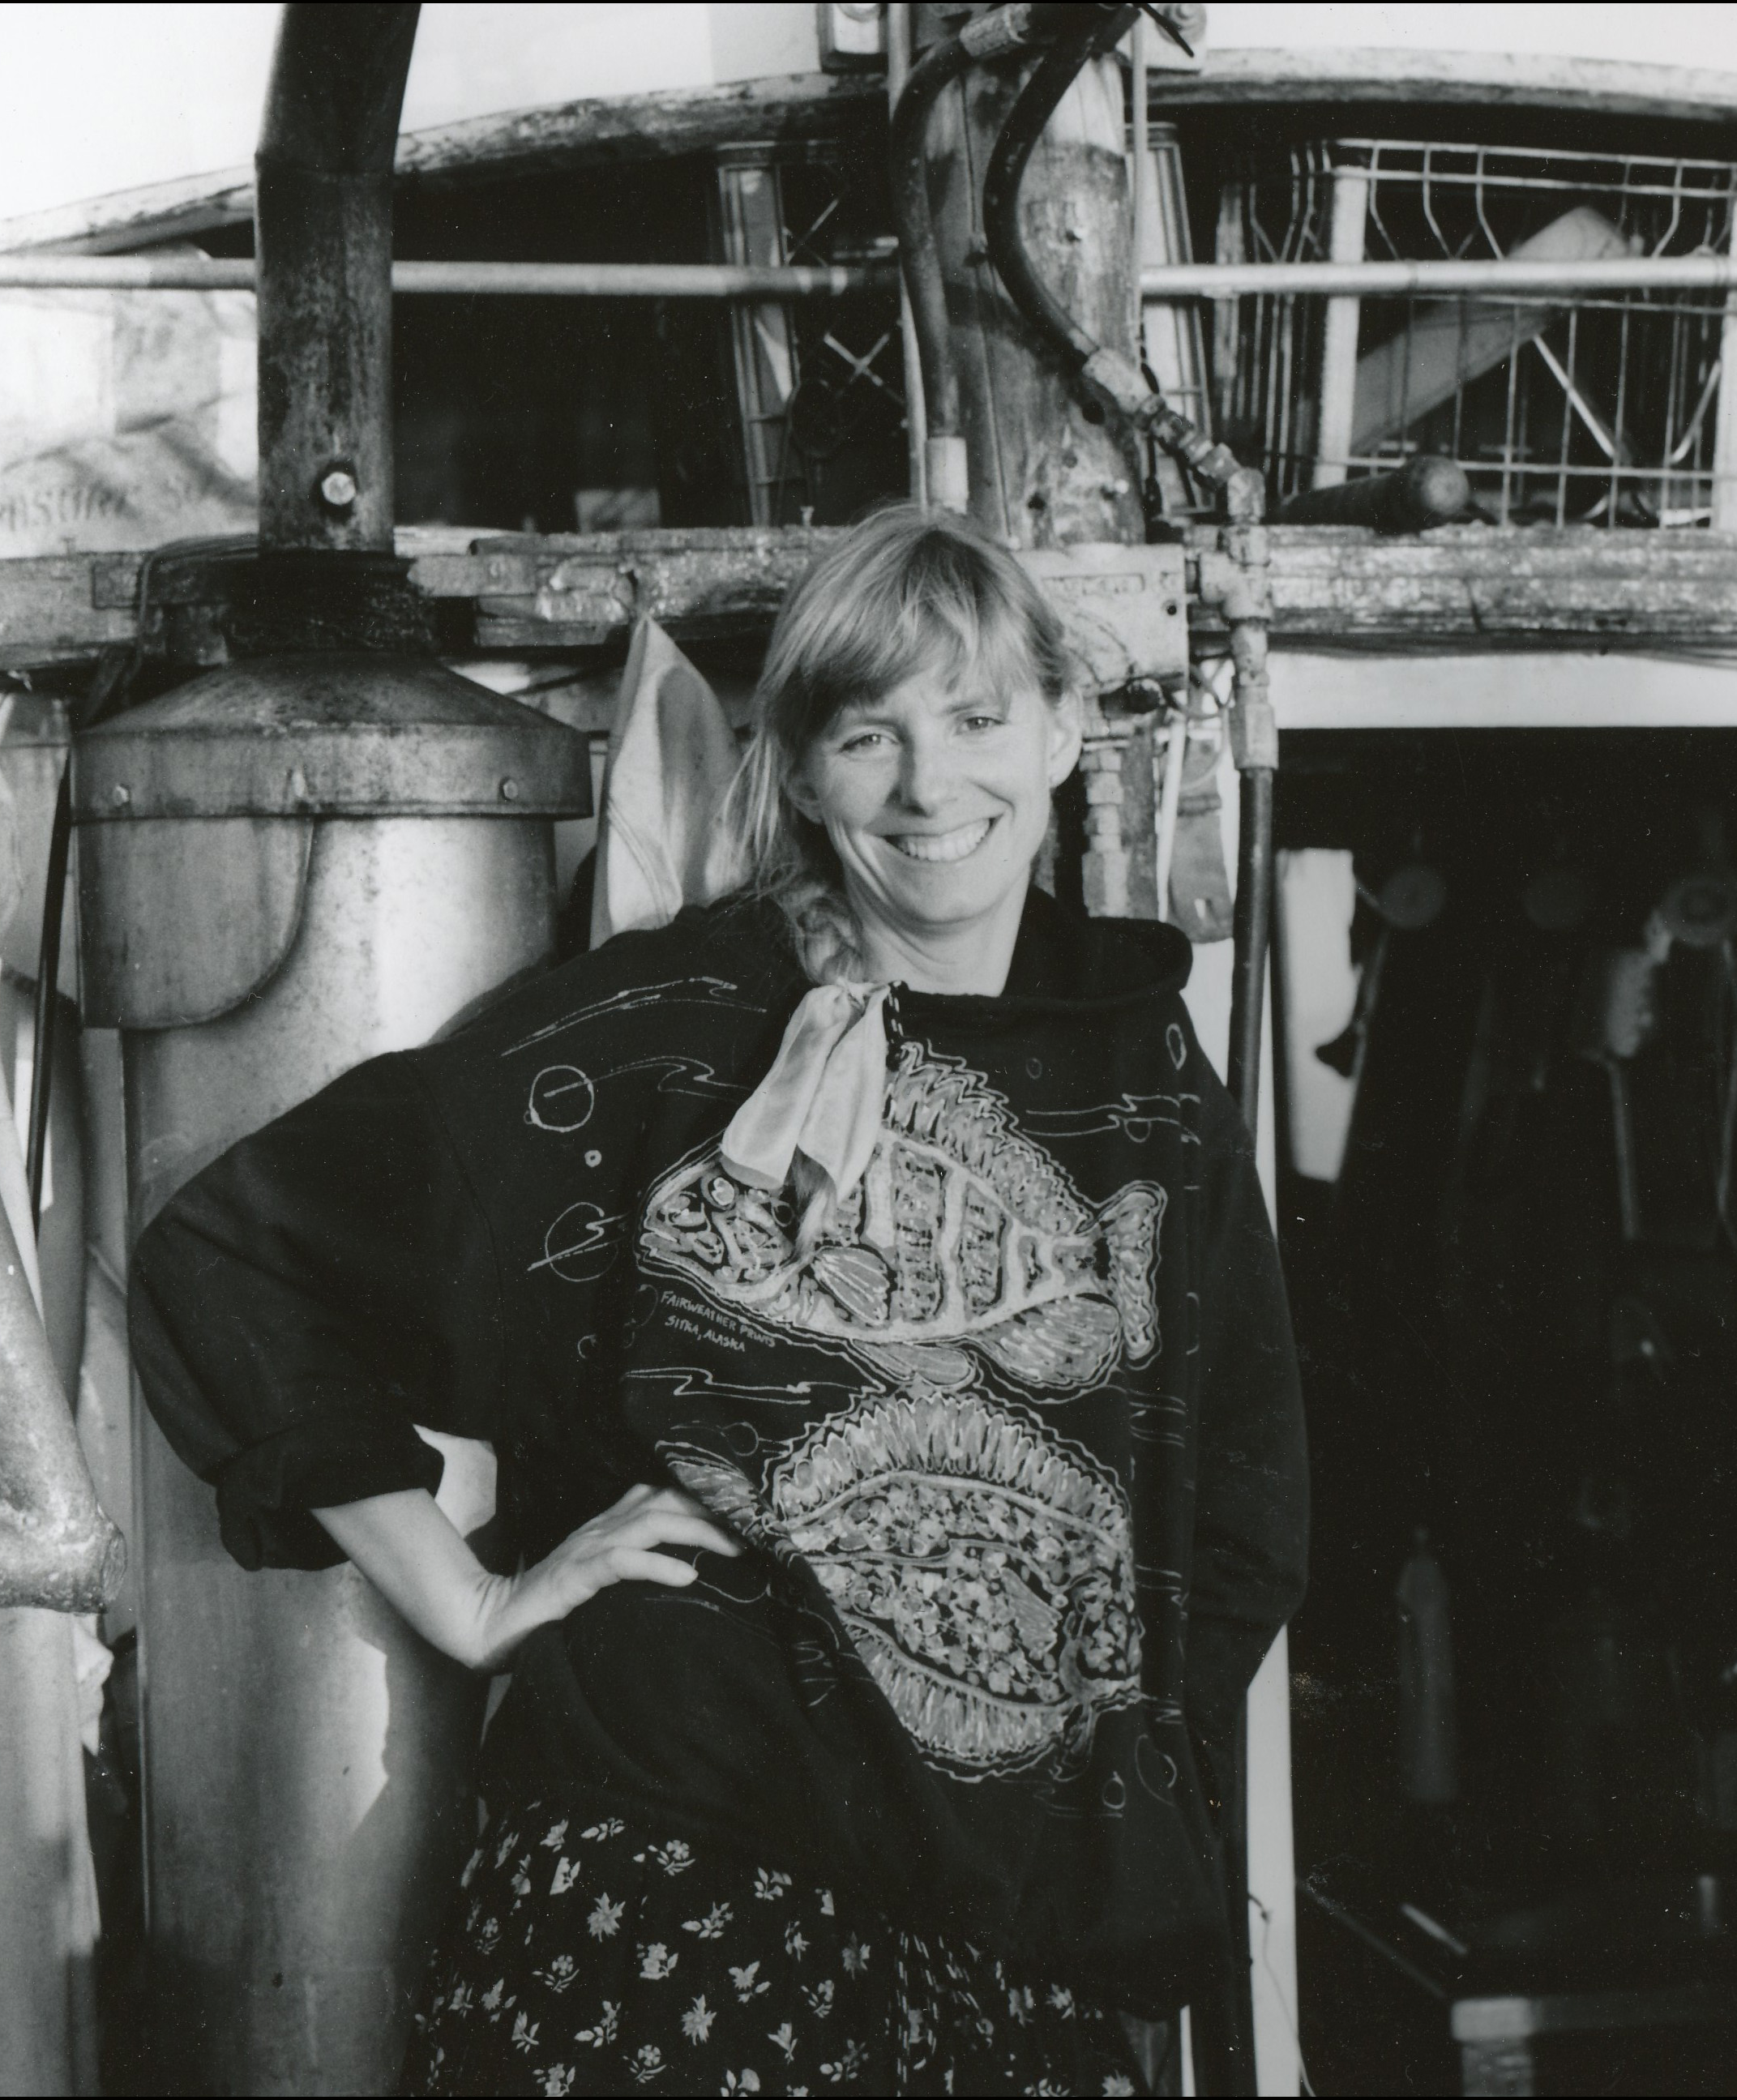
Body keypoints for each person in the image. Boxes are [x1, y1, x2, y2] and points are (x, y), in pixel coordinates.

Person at [130, 506, 1309, 2096]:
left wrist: (1083, 1791)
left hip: (999, 1906)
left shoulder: (1141, 1071)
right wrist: (469, 1602)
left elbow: (1233, 1489)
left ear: (1056, 731)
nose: (926, 785)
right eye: (867, 733)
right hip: (686, 1876)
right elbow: (235, 1254)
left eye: (971, 720)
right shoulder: (671, 1030)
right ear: (802, 771)